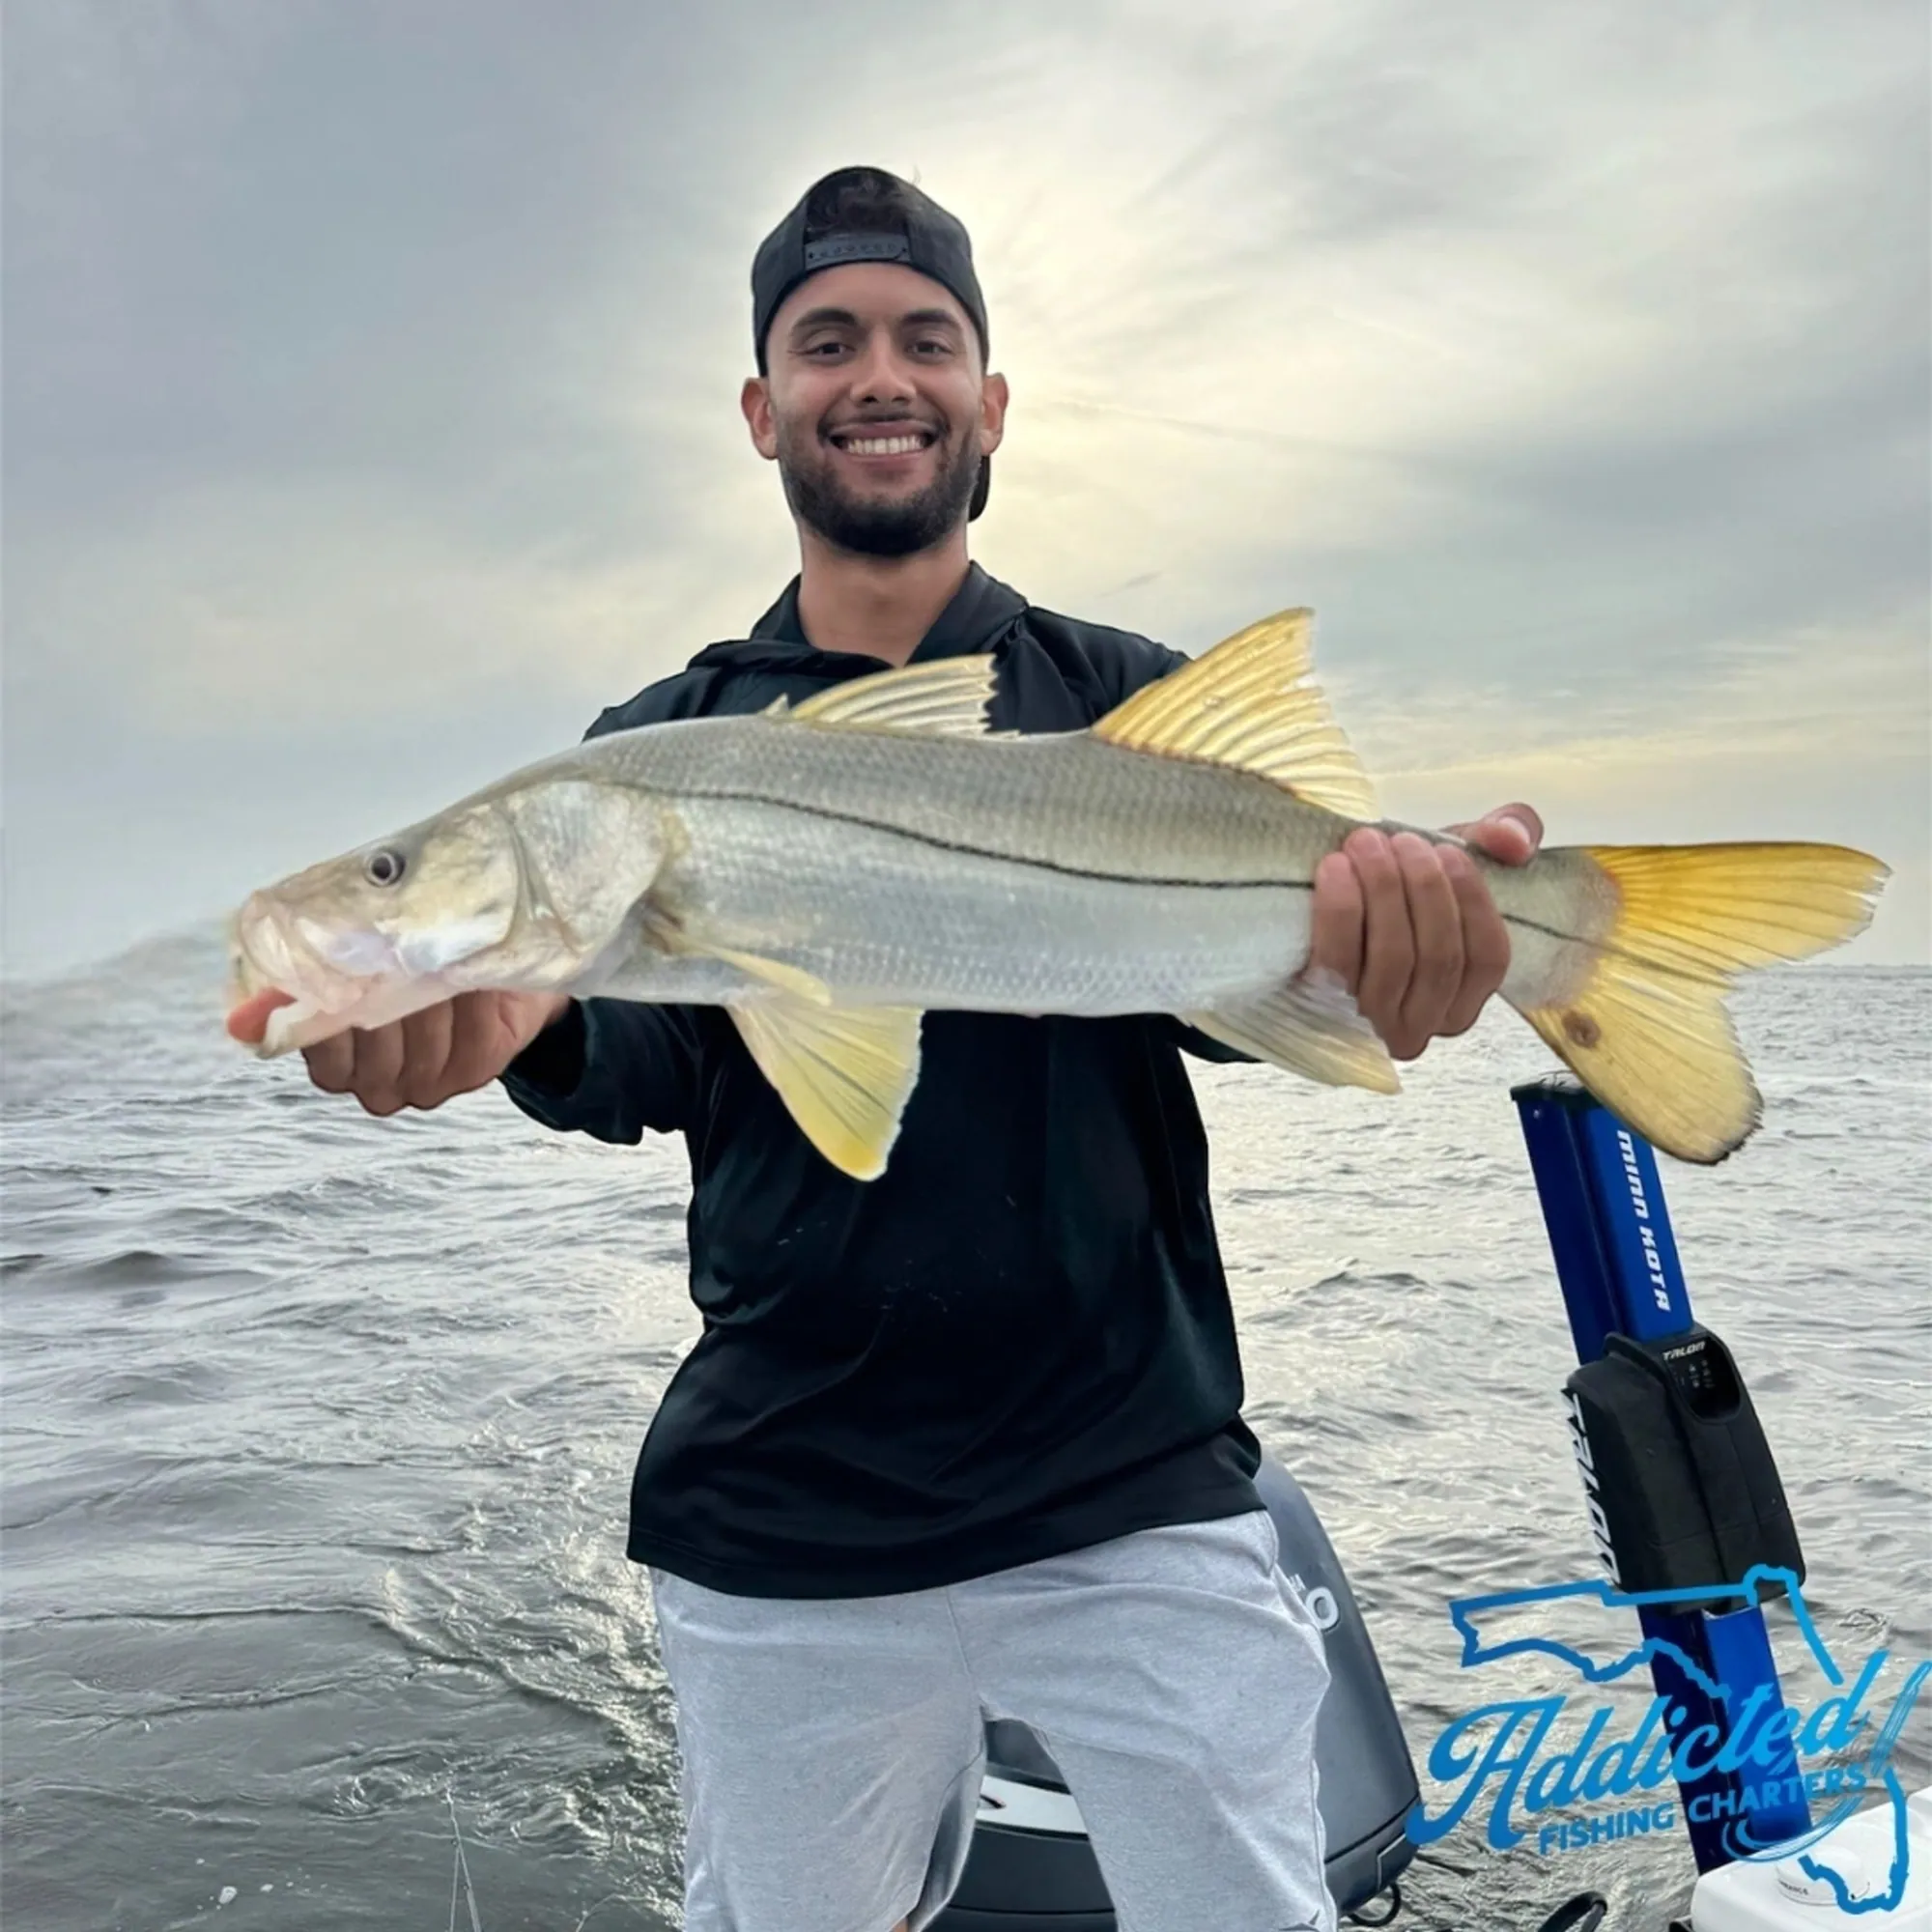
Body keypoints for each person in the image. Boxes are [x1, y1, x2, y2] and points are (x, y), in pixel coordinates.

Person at [262, 167, 1545, 1932]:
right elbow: (637, 1052)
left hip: (1138, 1483)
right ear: (761, 407)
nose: (882, 374)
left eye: (925, 338)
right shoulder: (656, 747)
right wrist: (511, 1026)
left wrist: (1411, 955)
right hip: (788, 1522)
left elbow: (1269, 1003)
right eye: (827, 341)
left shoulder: (1124, 698)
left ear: (989, 398)